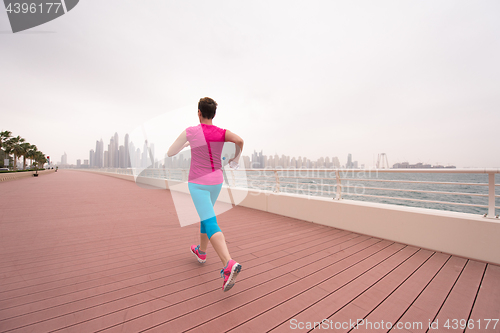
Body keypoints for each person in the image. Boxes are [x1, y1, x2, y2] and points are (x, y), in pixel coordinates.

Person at [167, 97, 244, 292]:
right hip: (216, 181)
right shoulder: (221, 132)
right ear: (214, 114)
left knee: (210, 221)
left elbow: (170, 152)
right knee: (206, 215)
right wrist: (235, 158)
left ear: (199, 112)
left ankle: (228, 263)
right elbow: (240, 140)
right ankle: (201, 252)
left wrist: (185, 145)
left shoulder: (191, 132)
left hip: (198, 184)